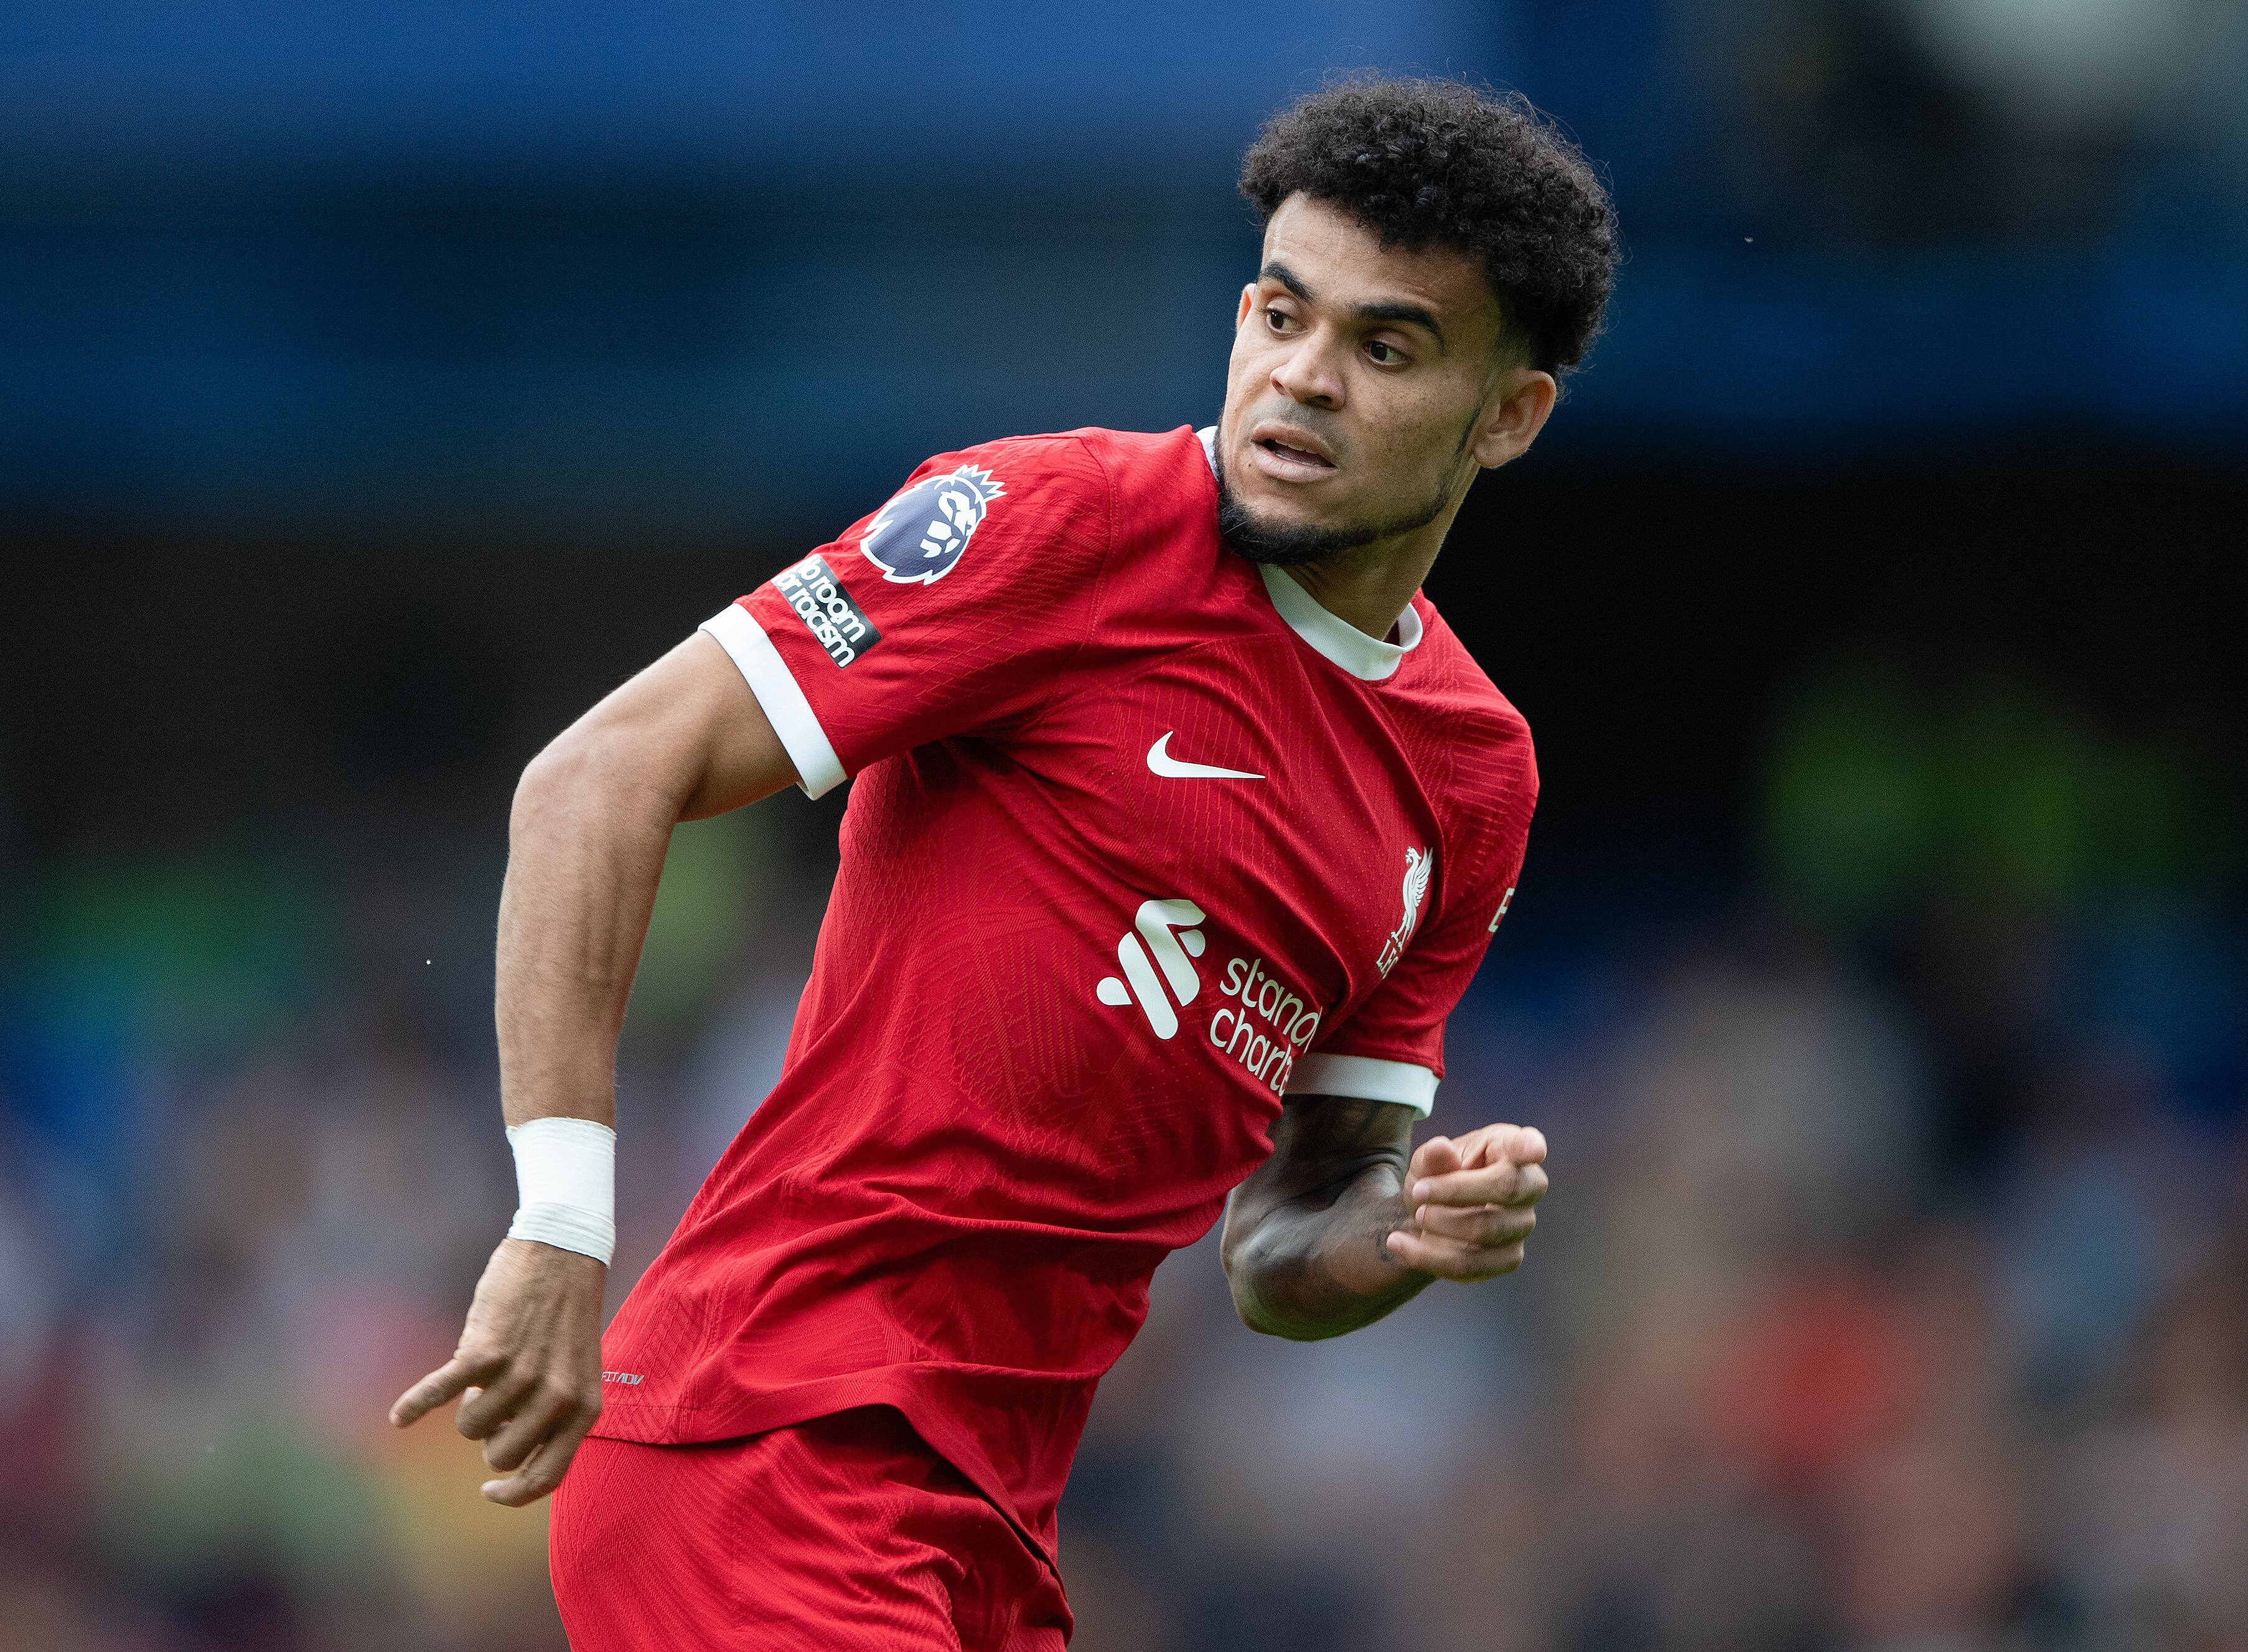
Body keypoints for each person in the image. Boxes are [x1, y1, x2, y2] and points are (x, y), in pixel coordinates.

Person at [390, 73, 1618, 1651]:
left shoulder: (1472, 780)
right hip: (763, 1449)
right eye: (1280, 315)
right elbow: (599, 773)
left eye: (1383, 347)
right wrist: (558, 1222)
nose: (1299, 381)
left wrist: (1399, 1237)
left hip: (983, 1535)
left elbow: (1282, 1241)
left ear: (1507, 415)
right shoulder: (1066, 524)